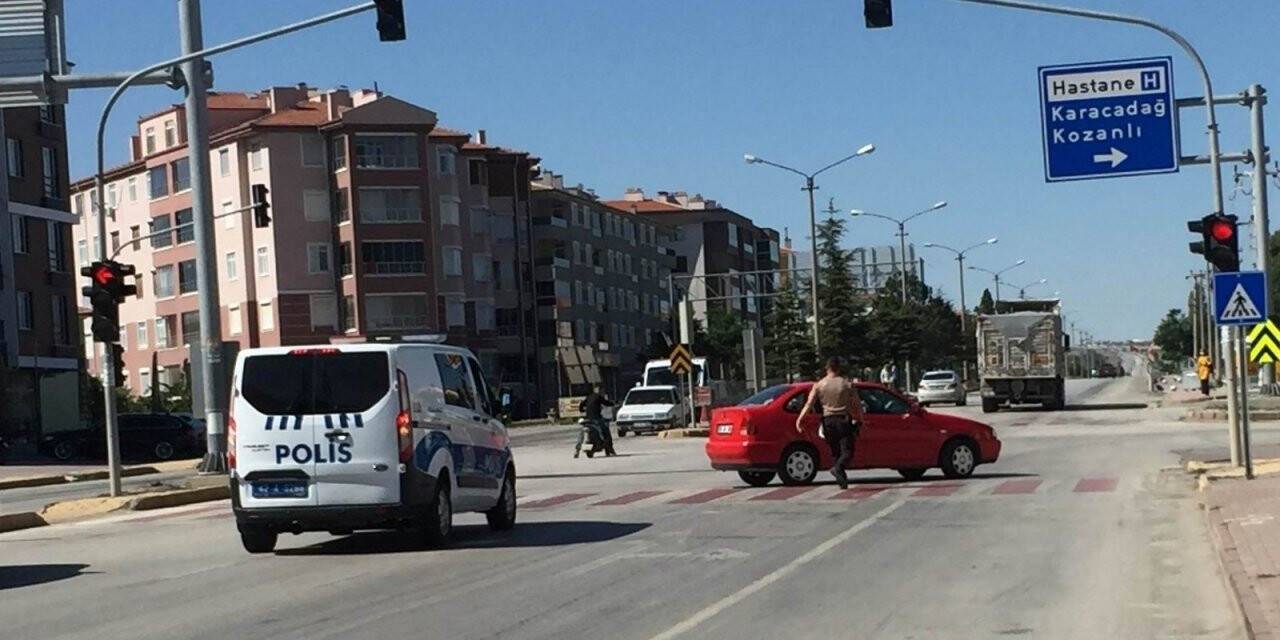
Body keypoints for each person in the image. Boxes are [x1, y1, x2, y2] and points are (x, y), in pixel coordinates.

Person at [796, 357, 864, 489]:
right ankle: (838, 469)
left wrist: (800, 419)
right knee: (848, 451)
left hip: (828, 421)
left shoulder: (819, 385)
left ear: (827, 369)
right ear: (838, 368)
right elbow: (857, 404)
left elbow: (809, 404)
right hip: (843, 420)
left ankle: (841, 479)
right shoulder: (847, 384)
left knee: (835, 452)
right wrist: (860, 419)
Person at [575, 386, 617, 458]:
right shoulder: (598, 397)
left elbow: (581, 404)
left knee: (581, 432)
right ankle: (610, 449)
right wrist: (613, 403)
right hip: (596, 419)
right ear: (599, 391)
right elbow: (606, 403)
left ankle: (577, 450)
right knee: (606, 430)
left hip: (588, 419)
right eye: (601, 390)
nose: (602, 392)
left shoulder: (588, 397)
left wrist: (582, 410)